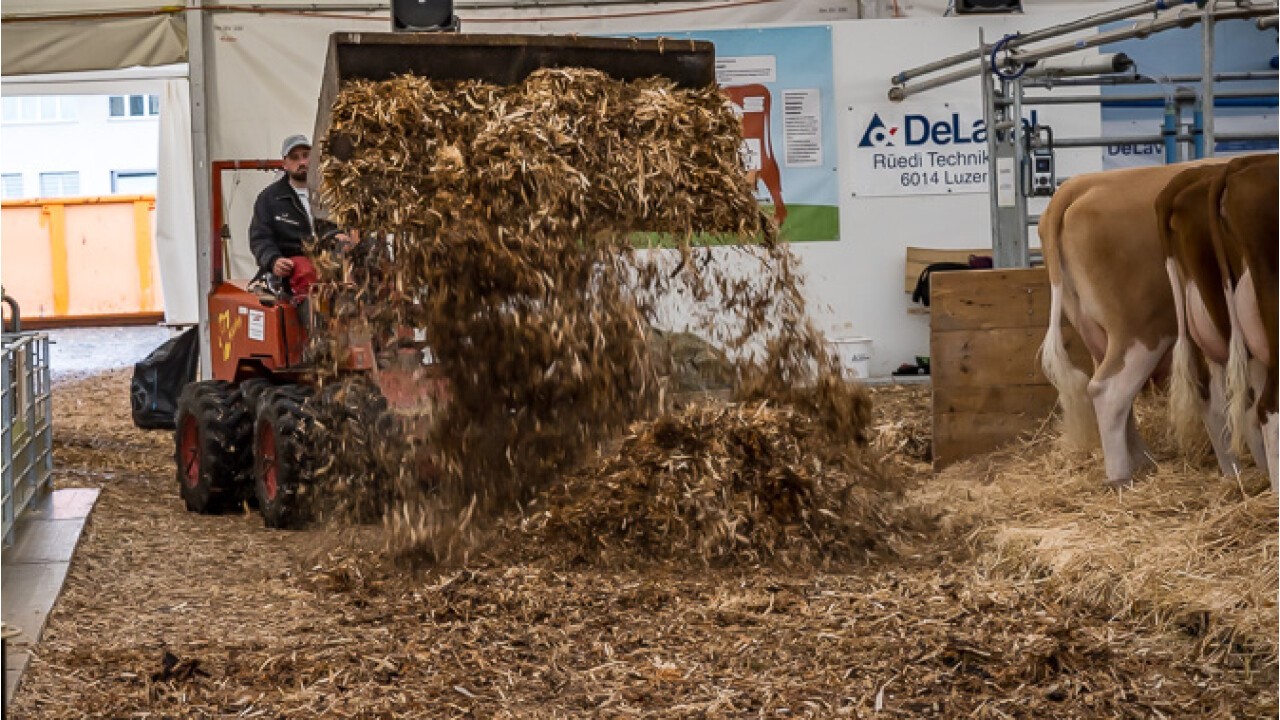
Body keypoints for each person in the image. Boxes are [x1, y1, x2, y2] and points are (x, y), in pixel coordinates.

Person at [248, 134, 348, 298]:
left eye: (305, 156)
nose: (301, 162)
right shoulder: (269, 199)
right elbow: (260, 239)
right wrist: (274, 261)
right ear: (285, 164)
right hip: (294, 261)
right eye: (294, 158)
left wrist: (342, 236)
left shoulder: (332, 193)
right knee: (306, 273)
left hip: (332, 257)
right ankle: (313, 321)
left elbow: (344, 225)